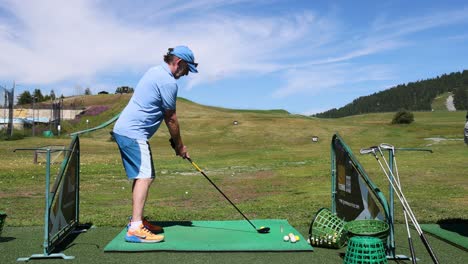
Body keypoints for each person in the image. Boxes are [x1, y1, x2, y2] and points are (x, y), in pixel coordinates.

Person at [112, 46, 198, 243]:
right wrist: (179, 146)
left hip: (128, 131)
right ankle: (135, 228)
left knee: (143, 175)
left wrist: (176, 142)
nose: (185, 74)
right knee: (145, 176)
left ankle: (137, 220)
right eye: (186, 69)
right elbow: (171, 118)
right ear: (179, 63)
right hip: (133, 133)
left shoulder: (155, 70)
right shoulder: (168, 81)